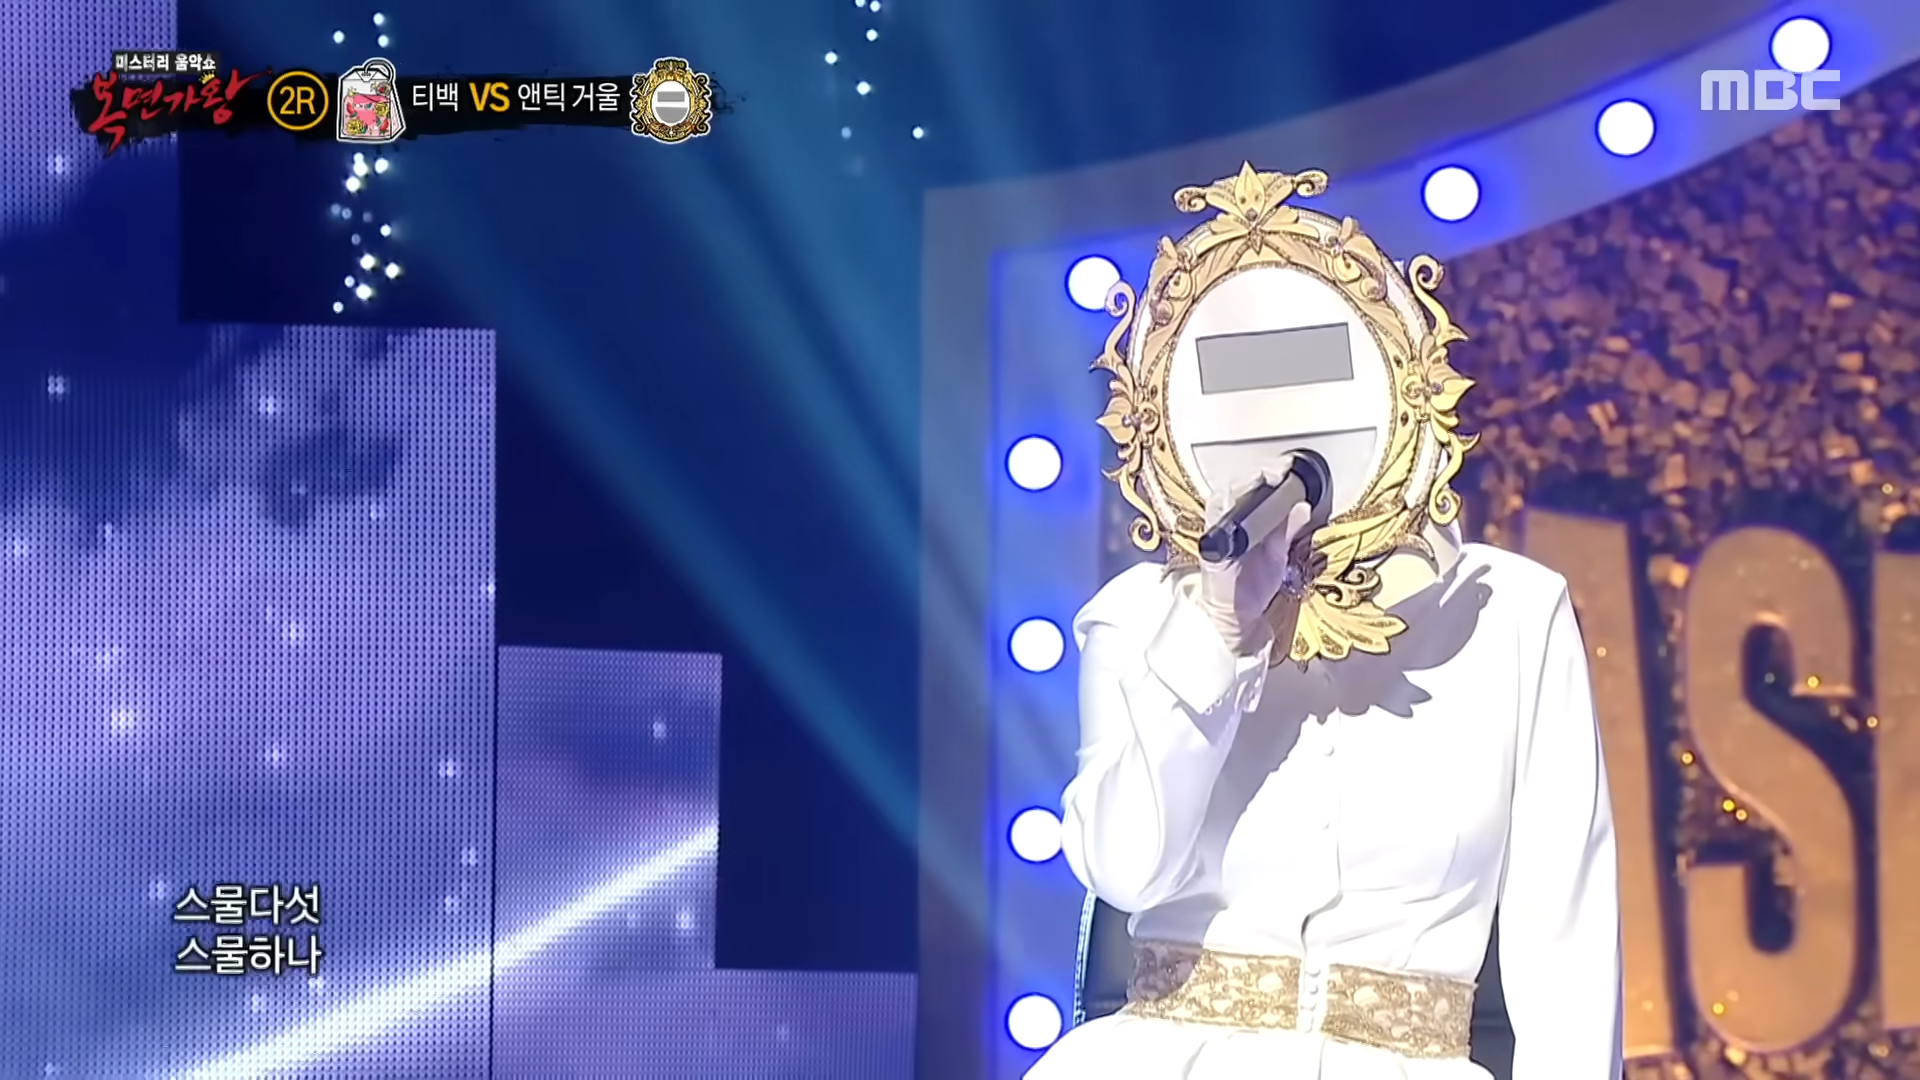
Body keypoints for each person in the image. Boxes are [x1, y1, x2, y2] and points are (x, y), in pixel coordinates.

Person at [1025, 165, 1623, 1080]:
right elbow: (1123, 867)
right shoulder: (1138, 617)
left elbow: (1569, 956)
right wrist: (1220, 635)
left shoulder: (1508, 614)